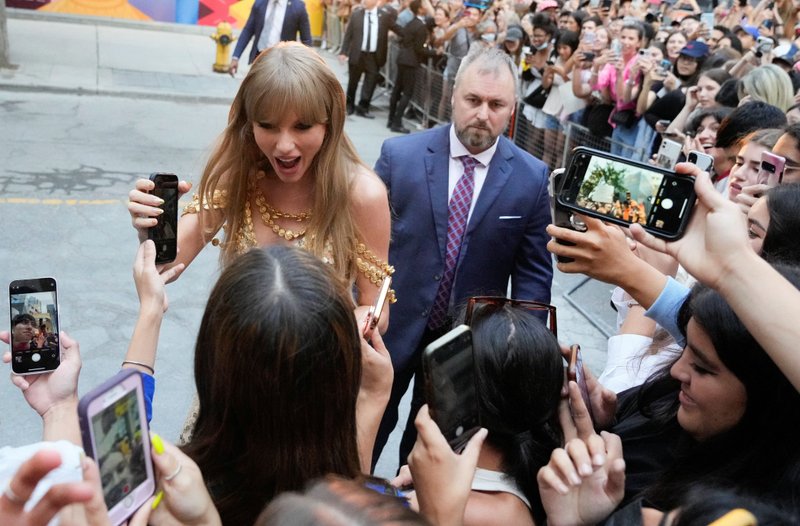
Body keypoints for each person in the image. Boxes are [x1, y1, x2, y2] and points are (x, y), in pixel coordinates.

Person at [373, 44, 553, 467]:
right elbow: (362, 243)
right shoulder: (401, 157)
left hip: (466, 347)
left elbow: (532, 278)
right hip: (389, 329)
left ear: (512, 110)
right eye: (473, 100)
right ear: (454, 95)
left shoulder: (530, 179)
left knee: (431, 454)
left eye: (496, 104)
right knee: (366, 429)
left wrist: (519, 349)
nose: (482, 114)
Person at [127, 43, 392, 323]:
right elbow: (167, 264)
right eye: (268, 126)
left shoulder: (362, 193)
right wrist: (153, 231)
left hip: (321, 362)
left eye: (302, 127)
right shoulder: (238, 175)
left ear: (330, 124)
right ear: (249, 123)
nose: (285, 145)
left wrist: (342, 332)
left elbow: (375, 309)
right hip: (240, 354)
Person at [339, 0, 397, 118]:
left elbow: (396, 28)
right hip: (358, 54)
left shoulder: (384, 15)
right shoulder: (356, 15)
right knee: (353, 81)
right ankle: (349, 106)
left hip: (374, 55)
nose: (364, 1)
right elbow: (348, 35)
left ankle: (363, 107)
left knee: (370, 82)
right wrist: (343, 52)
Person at [229, 0, 312, 75]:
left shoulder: (298, 7)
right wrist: (235, 57)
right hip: (258, 58)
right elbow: (248, 30)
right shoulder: (259, 3)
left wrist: (308, 67)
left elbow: (306, 39)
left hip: (282, 63)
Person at [387, 0, 434, 134]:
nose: (426, 8)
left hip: (402, 58)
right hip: (411, 61)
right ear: (419, 9)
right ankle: (396, 122)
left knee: (397, 89)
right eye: (424, 6)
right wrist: (434, 52)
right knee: (407, 92)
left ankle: (391, 119)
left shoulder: (411, 23)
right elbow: (419, 49)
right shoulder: (420, 26)